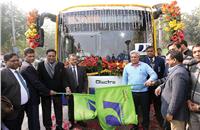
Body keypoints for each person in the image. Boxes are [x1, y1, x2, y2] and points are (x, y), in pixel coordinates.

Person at [20, 48, 57, 130]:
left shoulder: (27, 65)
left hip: (31, 97)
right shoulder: (27, 67)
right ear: (24, 56)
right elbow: (36, 83)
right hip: (32, 98)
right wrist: (48, 91)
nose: (32, 58)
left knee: (33, 120)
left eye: (33, 56)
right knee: (34, 120)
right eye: (29, 56)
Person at [122, 50, 157, 130]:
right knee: (134, 111)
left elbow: (154, 75)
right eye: (132, 57)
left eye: (135, 57)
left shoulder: (145, 66)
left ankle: (145, 127)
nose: (133, 59)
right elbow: (124, 81)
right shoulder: (127, 67)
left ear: (139, 57)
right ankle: (135, 126)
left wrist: (149, 80)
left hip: (144, 93)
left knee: (145, 111)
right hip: (132, 93)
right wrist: (124, 92)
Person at [155, 50, 190, 130]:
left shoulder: (179, 73)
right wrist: (161, 86)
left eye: (167, 60)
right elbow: (168, 80)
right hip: (174, 115)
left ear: (174, 60)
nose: (166, 62)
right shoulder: (176, 70)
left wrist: (170, 112)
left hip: (176, 116)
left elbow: (177, 96)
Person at [37, 49, 68, 130]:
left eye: (53, 56)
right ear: (46, 56)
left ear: (55, 56)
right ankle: (48, 126)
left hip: (57, 92)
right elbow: (39, 80)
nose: (51, 57)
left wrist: (67, 87)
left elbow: (64, 78)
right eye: (49, 56)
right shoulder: (41, 65)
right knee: (46, 110)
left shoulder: (60, 65)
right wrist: (46, 91)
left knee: (58, 109)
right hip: (46, 92)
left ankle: (59, 125)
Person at [1, 53, 29, 130]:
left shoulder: (17, 72)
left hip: (21, 109)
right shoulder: (2, 74)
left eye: (17, 60)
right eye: (13, 61)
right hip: (11, 111)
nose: (16, 62)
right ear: (5, 62)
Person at [142, 46, 165, 127]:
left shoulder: (161, 60)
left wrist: (160, 84)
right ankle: (146, 124)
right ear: (146, 52)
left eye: (151, 51)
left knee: (158, 106)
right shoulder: (143, 61)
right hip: (146, 88)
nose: (150, 52)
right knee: (146, 107)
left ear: (154, 51)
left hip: (157, 87)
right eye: (148, 51)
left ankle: (161, 123)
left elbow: (162, 73)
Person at [65, 54, 88, 129]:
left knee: (80, 106)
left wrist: (84, 90)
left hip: (80, 91)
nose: (74, 61)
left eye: (75, 59)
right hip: (71, 92)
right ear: (69, 60)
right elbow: (64, 81)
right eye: (72, 59)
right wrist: (67, 88)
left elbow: (85, 81)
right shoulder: (66, 70)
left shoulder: (82, 69)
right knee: (71, 107)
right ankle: (71, 122)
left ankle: (80, 120)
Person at [187, 44, 200, 130]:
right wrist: (188, 101)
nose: (197, 54)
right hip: (192, 109)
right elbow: (188, 86)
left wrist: (199, 107)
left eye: (199, 51)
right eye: (195, 52)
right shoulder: (191, 67)